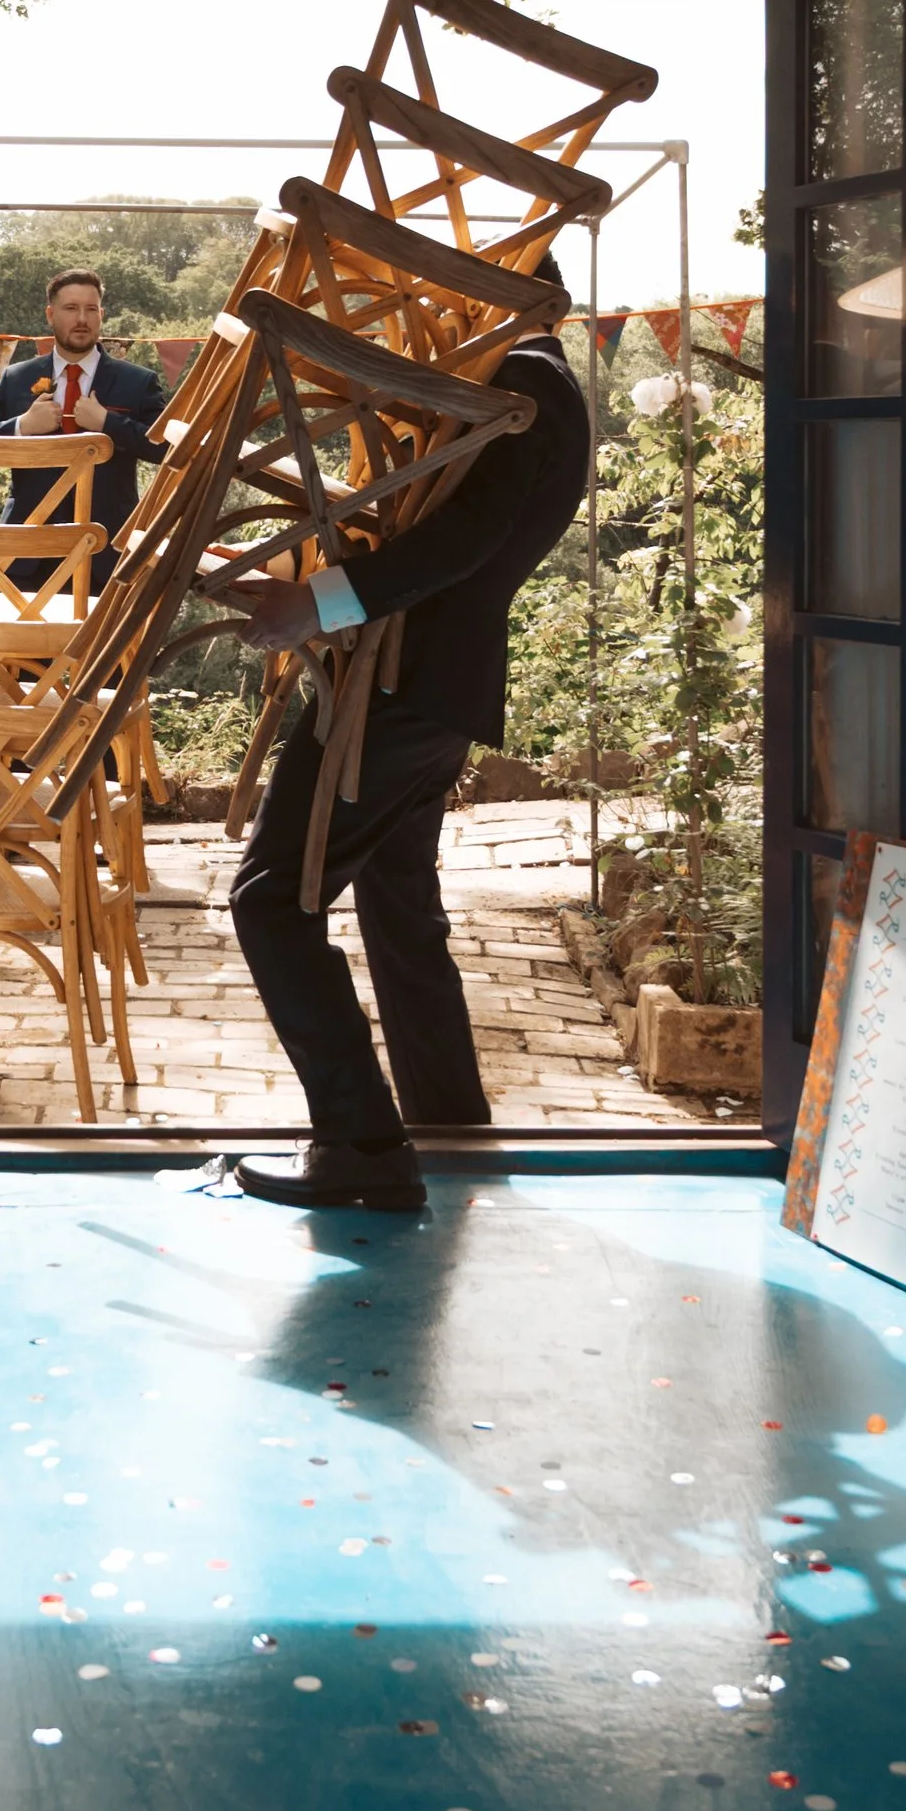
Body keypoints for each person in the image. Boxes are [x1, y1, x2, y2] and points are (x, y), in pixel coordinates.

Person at [212, 306, 589, 1213]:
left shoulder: (524, 382)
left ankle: (364, 1141)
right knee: (399, 910)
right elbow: (428, 521)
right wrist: (305, 581)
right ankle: (452, 1127)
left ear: (508, 287)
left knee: (271, 899)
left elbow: (465, 541)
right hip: (423, 683)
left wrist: (319, 605)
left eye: (457, 288)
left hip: (401, 686)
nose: (436, 304)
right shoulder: (523, 377)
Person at [0, 268, 167, 592]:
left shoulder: (138, 381)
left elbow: (167, 450)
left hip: (108, 553)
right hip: (26, 553)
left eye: (91, 309)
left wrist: (108, 423)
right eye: (71, 308)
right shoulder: (16, 378)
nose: (82, 319)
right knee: (21, 645)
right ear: (51, 314)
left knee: (105, 645)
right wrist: (22, 426)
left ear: (101, 315)